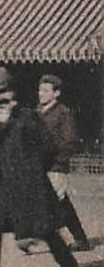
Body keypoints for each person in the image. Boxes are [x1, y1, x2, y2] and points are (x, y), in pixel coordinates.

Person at [0, 66, 80, 267]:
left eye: (4, 91)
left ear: (13, 91)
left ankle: (67, 262)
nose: (0, 97)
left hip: (29, 182)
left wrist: (35, 168)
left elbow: (47, 146)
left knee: (42, 226)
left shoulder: (28, 116)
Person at [36, 74, 90, 253]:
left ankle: (72, 239)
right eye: (40, 90)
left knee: (55, 201)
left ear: (56, 93)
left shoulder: (63, 113)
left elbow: (70, 141)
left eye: (45, 90)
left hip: (54, 166)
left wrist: (57, 160)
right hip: (40, 165)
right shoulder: (40, 111)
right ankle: (79, 238)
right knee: (59, 202)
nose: (41, 94)